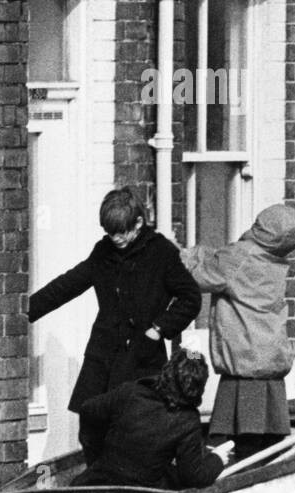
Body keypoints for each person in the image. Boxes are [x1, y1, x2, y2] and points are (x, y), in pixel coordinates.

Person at [27, 188, 201, 450]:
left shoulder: (161, 252)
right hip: (103, 355)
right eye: (110, 232)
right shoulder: (104, 251)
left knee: (135, 431)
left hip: (141, 359)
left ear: (138, 223)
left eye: (122, 231)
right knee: (92, 430)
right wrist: (25, 311)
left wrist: (159, 328)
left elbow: (191, 297)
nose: (116, 238)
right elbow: (69, 284)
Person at [180, 204, 295, 460]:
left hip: (245, 360)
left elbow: (202, 275)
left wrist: (181, 254)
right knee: (268, 441)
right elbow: (219, 262)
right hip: (270, 357)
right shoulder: (275, 260)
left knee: (239, 440)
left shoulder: (241, 256)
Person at [70, 349, 234, 489]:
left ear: (166, 373)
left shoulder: (131, 393)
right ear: (199, 387)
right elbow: (193, 476)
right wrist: (217, 459)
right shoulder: (188, 420)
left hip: (97, 480)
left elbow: (87, 410)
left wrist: (96, 455)